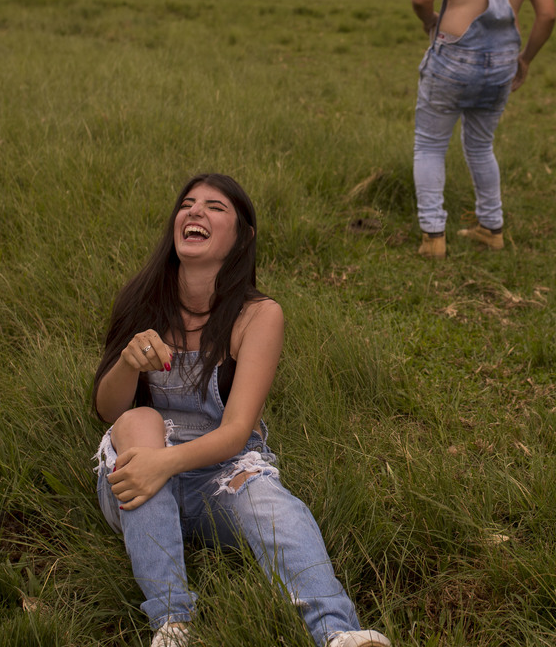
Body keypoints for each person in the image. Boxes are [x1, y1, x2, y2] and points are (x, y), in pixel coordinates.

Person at [91, 173, 391, 647]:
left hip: (220, 475)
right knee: (139, 420)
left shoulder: (259, 316)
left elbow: (235, 433)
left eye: (215, 207)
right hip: (137, 488)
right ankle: (172, 624)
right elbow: (107, 409)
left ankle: (340, 633)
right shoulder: (141, 299)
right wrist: (128, 364)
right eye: (187, 204)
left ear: (242, 235)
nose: (195, 212)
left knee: (272, 504)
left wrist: (162, 464)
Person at [410, 0, 556, 258]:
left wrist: (431, 23)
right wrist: (525, 60)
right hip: (501, 65)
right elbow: (548, 15)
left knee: (429, 146)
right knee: (480, 146)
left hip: (452, 58)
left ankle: (433, 238)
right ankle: (492, 228)